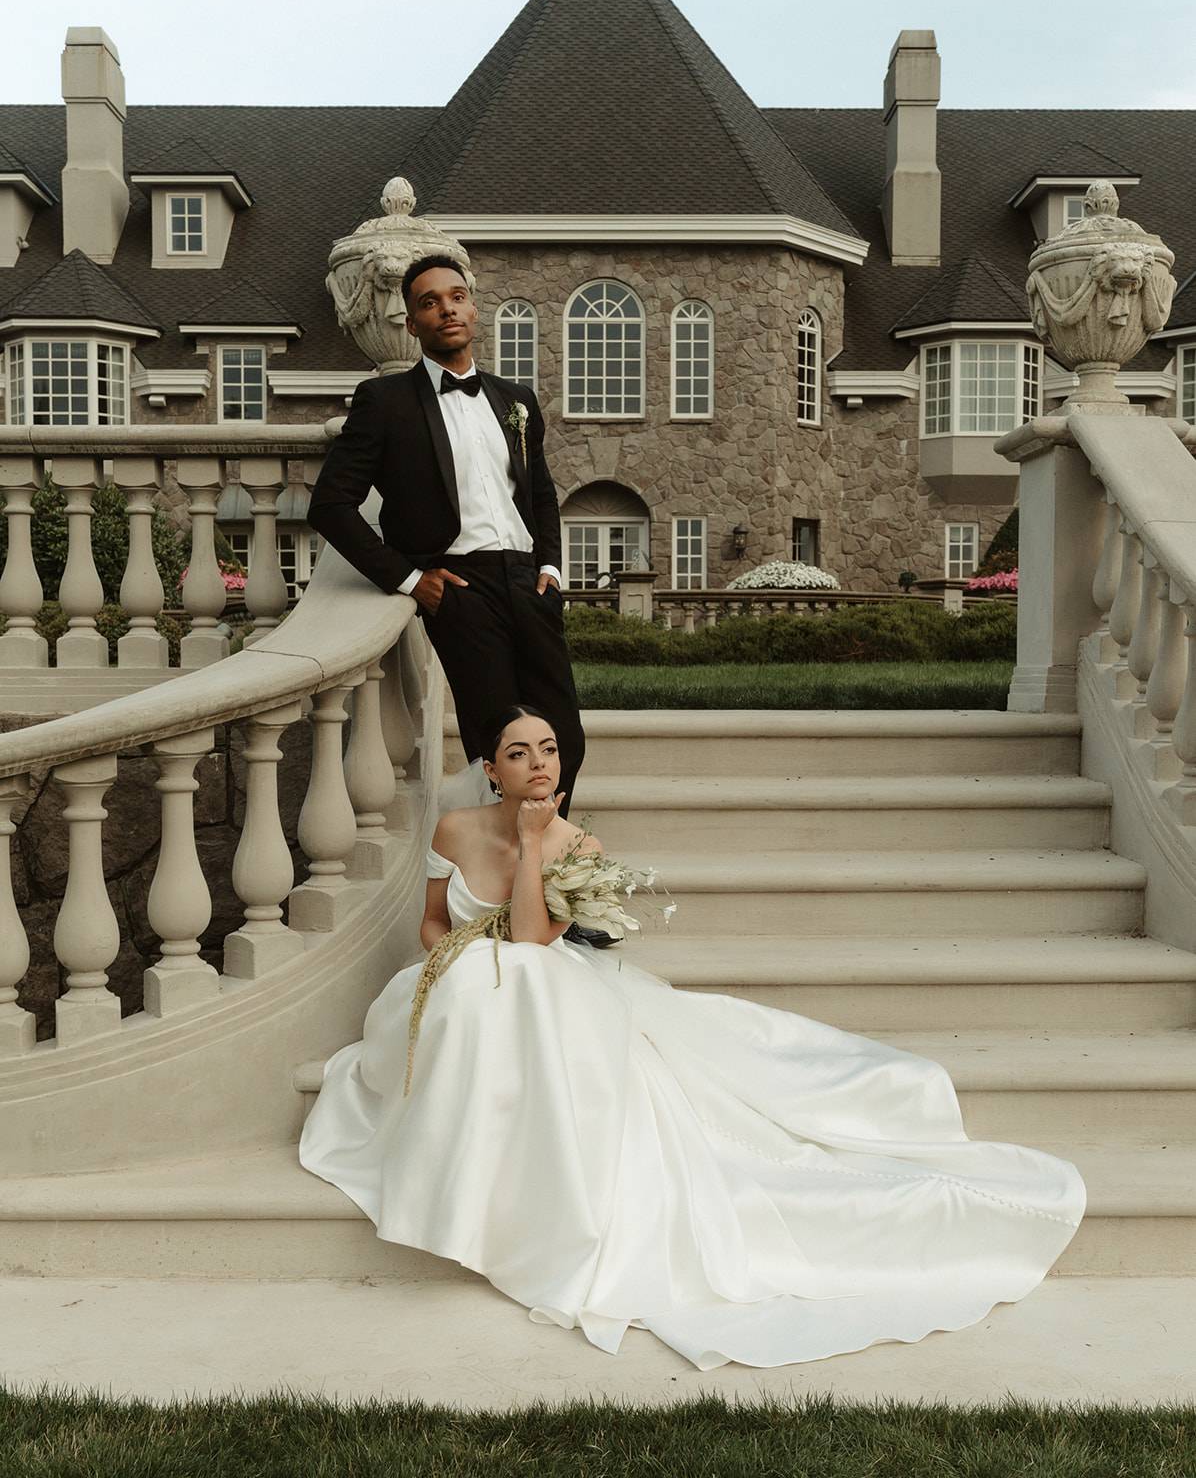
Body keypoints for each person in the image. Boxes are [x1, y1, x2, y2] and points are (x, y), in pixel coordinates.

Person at [299, 704, 1086, 1373]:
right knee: (480, 987)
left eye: (547, 749)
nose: (538, 763)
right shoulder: (456, 824)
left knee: (523, 985)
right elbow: (433, 921)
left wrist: (536, 844)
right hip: (456, 984)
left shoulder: (579, 847)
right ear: (490, 769)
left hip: (539, 986)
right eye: (518, 753)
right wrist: (454, 957)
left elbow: (537, 938)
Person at [306, 255, 585, 814]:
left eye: (455, 296)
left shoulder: (517, 401)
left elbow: (540, 494)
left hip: (530, 584)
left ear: (474, 309)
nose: (446, 309)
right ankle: (508, 885)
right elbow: (330, 505)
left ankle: (544, 866)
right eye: (429, 302)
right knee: (502, 746)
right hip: (460, 589)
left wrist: (551, 570)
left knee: (565, 743)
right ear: (411, 324)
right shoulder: (385, 403)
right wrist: (410, 580)